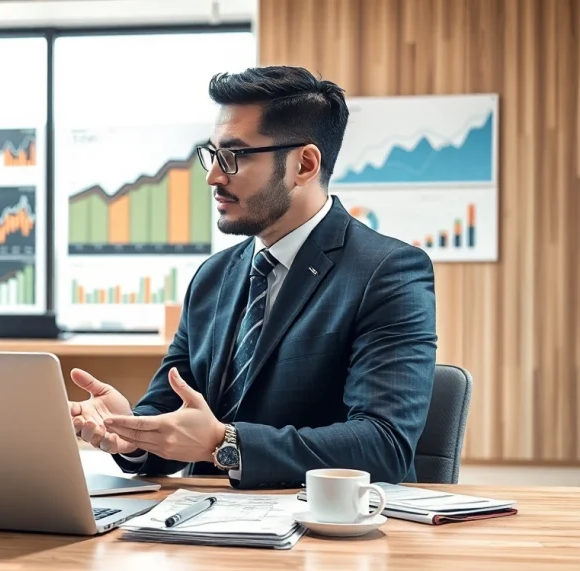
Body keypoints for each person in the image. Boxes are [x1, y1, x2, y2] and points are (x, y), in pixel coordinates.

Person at [68, 65, 438, 489]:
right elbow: (174, 412)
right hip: (201, 519)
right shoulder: (213, 276)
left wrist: (225, 444)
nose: (213, 176)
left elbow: (384, 445)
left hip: (320, 522)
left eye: (234, 156)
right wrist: (129, 431)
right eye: (213, 155)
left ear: (304, 164)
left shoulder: (388, 271)